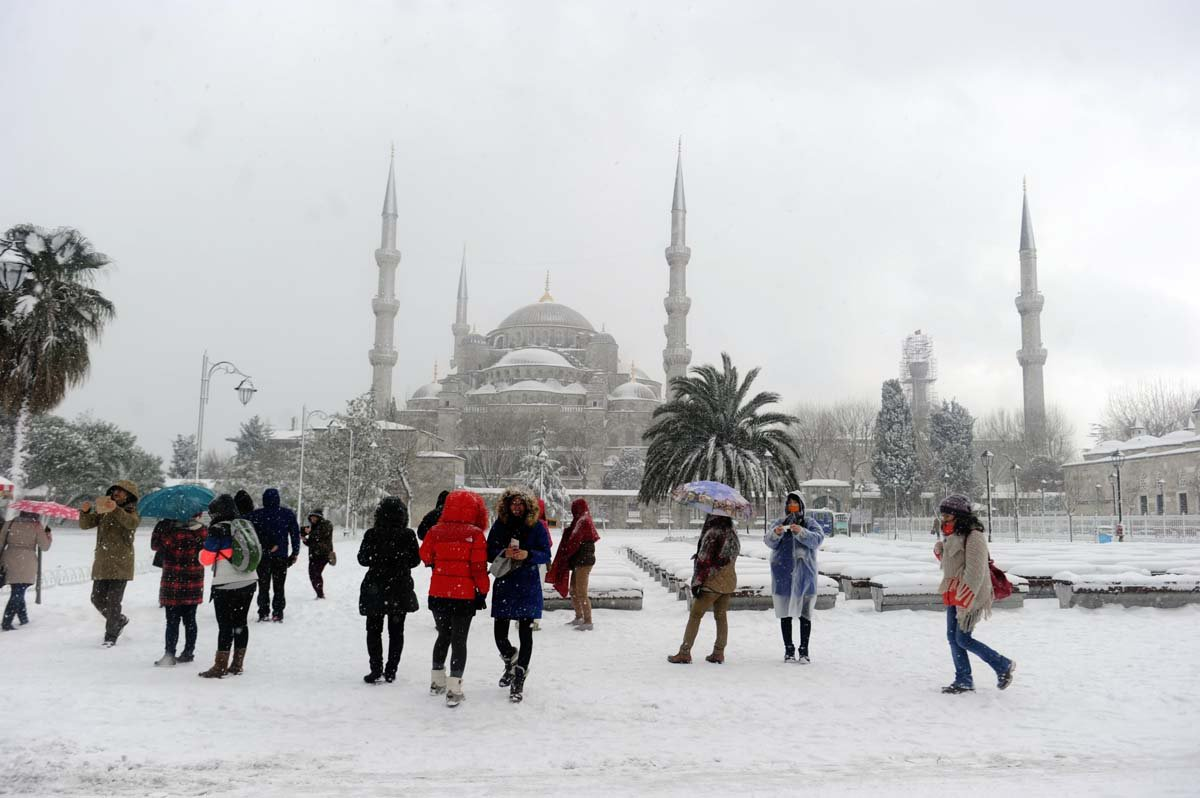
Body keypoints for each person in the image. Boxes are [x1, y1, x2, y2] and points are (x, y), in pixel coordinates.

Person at [934, 494, 1017, 694]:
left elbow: (976, 570)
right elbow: (952, 565)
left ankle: (1002, 665)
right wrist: (940, 552)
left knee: (962, 639)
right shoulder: (953, 535)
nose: (943, 519)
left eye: (947, 515)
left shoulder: (974, 536)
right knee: (953, 638)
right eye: (942, 515)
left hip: (970, 595)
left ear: (959, 516)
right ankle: (963, 679)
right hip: (953, 592)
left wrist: (966, 596)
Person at [419, 490, 491, 707]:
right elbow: (478, 567)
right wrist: (483, 589)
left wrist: (438, 563)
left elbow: (424, 555)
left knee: (443, 636)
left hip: (439, 592)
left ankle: (436, 681)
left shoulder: (435, 531)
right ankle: (454, 688)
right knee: (459, 640)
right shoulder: (475, 534)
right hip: (463, 594)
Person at [486, 488, 552, 703]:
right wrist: (503, 551)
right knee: (500, 635)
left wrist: (528, 554)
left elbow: (545, 553)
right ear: (507, 505)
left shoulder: (536, 526)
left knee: (526, 633)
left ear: (528, 506)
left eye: (520, 504)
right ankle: (510, 659)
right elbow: (488, 551)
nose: (516, 507)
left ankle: (519, 678)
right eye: (513, 503)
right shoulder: (500, 524)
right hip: (505, 581)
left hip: (527, 583)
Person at [357, 497, 420, 684]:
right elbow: (415, 561)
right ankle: (391, 669)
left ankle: (375, 668)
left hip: (375, 587)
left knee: (373, 630)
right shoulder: (408, 535)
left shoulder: (372, 534)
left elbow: (362, 559)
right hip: (399, 587)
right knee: (396, 631)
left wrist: (379, 559)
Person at [198, 494, 258, 678]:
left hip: (225, 583)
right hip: (249, 579)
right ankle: (237, 664)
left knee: (225, 625)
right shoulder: (244, 525)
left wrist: (201, 551)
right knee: (240, 623)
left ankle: (220, 666)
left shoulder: (218, 529)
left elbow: (206, 559)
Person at [668, 513, 740, 665]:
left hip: (711, 582)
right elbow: (727, 557)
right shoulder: (732, 533)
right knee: (721, 616)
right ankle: (719, 652)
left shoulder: (712, 533)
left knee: (695, 615)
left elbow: (704, 561)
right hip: (728, 582)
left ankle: (685, 652)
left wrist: (698, 583)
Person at [765, 492, 826, 663]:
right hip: (783, 575)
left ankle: (804, 650)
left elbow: (818, 540)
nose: (792, 506)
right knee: (785, 614)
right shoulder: (780, 522)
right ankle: (789, 650)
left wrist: (801, 532)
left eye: (795, 503)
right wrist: (776, 533)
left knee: (805, 614)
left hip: (805, 576)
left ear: (801, 505)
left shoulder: (809, 523)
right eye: (790, 503)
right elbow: (768, 541)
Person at [79, 480, 141, 647]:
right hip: (102, 562)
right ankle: (119, 620)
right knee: (96, 598)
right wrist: (85, 512)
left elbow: (131, 523)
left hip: (121, 564)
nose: (116, 494)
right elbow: (85, 525)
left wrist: (116, 510)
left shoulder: (131, 512)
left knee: (114, 601)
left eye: (120, 492)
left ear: (129, 495)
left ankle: (111, 635)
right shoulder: (104, 509)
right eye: (115, 491)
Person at [149, 514, 206, 666]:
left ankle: (169, 654)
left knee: (172, 620)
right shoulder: (201, 530)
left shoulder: (167, 528)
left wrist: (163, 529)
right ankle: (188, 652)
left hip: (172, 580)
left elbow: (155, 545)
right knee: (190, 619)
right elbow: (207, 551)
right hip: (194, 579)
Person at [247, 488, 300, 622]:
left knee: (263, 586)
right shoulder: (287, 514)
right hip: (281, 556)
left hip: (262, 556)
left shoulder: (256, 515)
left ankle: (263, 612)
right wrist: (295, 552)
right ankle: (278, 612)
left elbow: (244, 528)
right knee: (279, 586)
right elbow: (295, 534)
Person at [546, 498, 600, 631]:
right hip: (580, 562)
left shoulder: (583, 521)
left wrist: (565, 555)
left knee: (581, 591)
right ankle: (579, 617)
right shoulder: (581, 520)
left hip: (584, 562)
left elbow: (574, 541)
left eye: (574, 509)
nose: (573, 512)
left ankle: (588, 621)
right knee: (574, 590)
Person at [0, 511, 52, 630]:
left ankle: (24, 618)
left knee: (17, 589)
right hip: (27, 561)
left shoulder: (10, 523)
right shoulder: (36, 526)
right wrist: (48, 534)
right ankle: (7, 622)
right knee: (18, 591)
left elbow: (0, 542)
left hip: (9, 559)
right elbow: (45, 547)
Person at [301, 508, 335, 599]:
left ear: (319, 517)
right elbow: (311, 542)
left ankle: (320, 595)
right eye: (311, 517)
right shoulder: (313, 527)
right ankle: (319, 594)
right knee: (313, 574)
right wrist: (304, 539)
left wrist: (309, 531)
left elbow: (319, 535)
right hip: (313, 555)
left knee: (316, 573)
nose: (312, 519)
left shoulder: (326, 524)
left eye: (314, 517)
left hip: (323, 554)